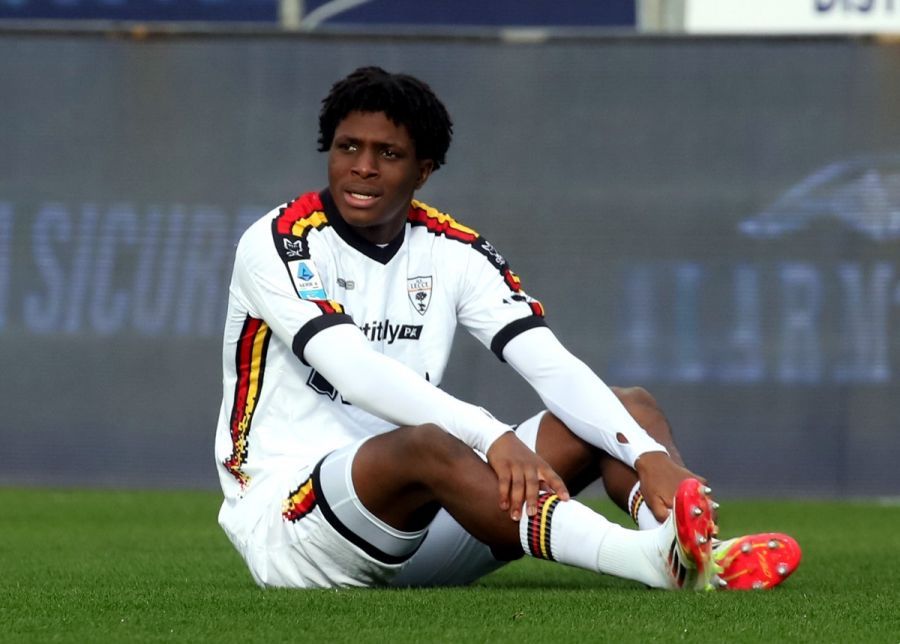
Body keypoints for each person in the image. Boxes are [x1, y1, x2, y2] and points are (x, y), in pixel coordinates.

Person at [215, 66, 801, 591]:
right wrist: (490, 435)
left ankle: (692, 557)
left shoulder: (453, 248)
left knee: (629, 410)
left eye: (387, 154)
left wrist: (648, 455)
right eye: (348, 147)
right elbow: (353, 370)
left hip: (424, 528)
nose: (362, 168)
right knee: (430, 441)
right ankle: (644, 558)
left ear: (423, 170)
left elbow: (547, 362)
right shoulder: (281, 242)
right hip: (291, 527)